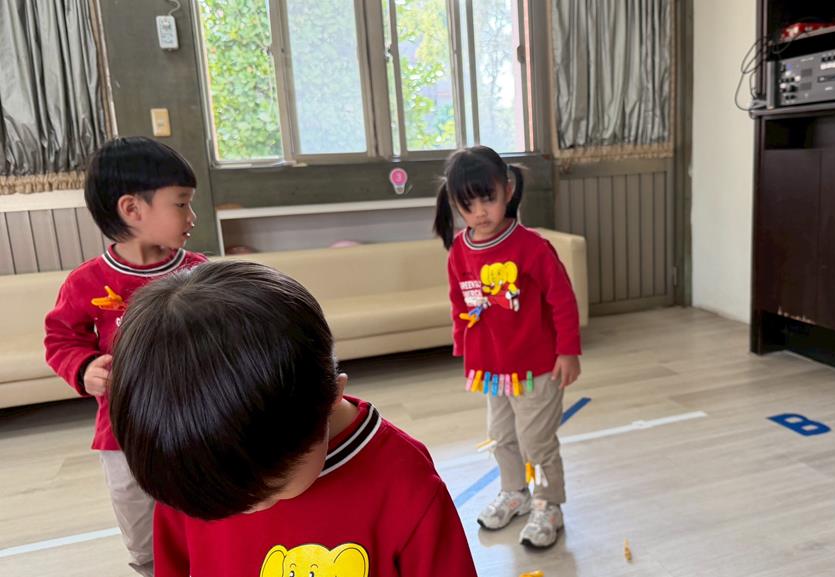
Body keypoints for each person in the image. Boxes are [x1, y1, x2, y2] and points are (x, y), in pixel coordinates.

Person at [107, 260, 478, 577]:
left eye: (270, 489)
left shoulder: (404, 484)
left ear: (330, 397)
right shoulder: (192, 470)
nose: (245, 510)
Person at [44, 136, 205, 576]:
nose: (192, 216)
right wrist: (83, 368)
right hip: (123, 434)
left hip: (196, 424)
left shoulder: (200, 272)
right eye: (181, 203)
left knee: (204, 511)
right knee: (142, 528)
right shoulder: (86, 282)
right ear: (132, 209)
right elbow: (60, 338)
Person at [433, 145, 582, 548]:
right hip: (493, 370)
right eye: (468, 205)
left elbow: (562, 300)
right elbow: (460, 302)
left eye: (488, 198)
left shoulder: (532, 247)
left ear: (508, 190)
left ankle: (548, 503)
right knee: (501, 437)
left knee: (537, 442)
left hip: (537, 368)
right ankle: (515, 492)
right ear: (455, 204)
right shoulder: (459, 251)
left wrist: (568, 350)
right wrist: (464, 346)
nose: (480, 212)